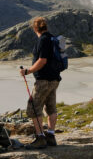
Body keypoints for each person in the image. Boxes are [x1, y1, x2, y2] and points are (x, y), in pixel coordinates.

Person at [19, 17, 61, 149]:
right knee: (51, 107)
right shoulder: (53, 38)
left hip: (43, 80)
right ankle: (51, 136)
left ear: (35, 28)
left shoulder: (42, 40)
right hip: (54, 79)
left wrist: (28, 71)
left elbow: (42, 60)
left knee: (34, 107)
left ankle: (40, 137)